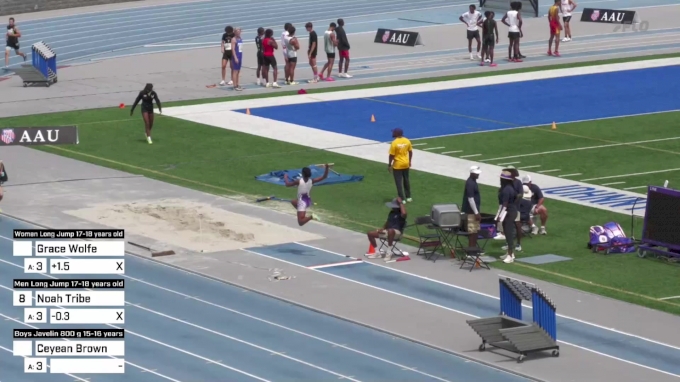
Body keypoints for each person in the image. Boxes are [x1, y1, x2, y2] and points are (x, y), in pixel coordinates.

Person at [366, 197, 407, 261]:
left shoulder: (401, 214)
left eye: (394, 206)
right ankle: (377, 253)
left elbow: (404, 213)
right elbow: (388, 222)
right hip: (388, 231)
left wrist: (401, 203)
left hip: (397, 232)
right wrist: (382, 229)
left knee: (391, 231)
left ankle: (389, 253)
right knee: (370, 233)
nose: (393, 207)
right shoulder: (391, 213)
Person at [497, 171, 519, 263]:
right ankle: (510, 253)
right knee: (507, 232)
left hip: (508, 212)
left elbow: (504, 204)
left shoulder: (506, 189)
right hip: (511, 211)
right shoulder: (510, 188)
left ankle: (510, 255)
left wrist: (500, 216)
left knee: (509, 233)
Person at [388, 128, 412, 203]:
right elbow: (410, 152)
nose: (392, 133)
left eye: (394, 132)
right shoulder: (407, 140)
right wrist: (410, 161)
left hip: (398, 165)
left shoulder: (394, 143)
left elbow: (391, 155)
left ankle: (402, 198)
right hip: (406, 164)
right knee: (406, 180)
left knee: (398, 182)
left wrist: (389, 165)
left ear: (397, 134)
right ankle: (408, 197)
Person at [462, 166, 482, 248]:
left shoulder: (473, 181)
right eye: (476, 174)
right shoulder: (470, 183)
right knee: (472, 231)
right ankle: (470, 251)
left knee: (475, 231)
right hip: (471, 212)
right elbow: (470, 199)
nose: (478, 175)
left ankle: (473, 249)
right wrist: (476, 212)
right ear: (471, 173)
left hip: (473, 211)